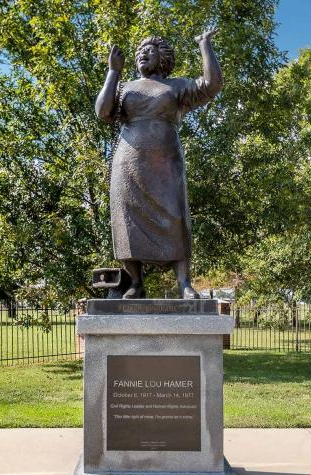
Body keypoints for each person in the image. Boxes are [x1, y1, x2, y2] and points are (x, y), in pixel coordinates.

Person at [95, 28, 223, 299]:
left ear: (163, 58)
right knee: (127, 220)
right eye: (140, 51)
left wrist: (204, 46)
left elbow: (212, 85)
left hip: (165, 163)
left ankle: (184, 283)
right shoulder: (125, 87)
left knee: (175, 217)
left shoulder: (175, 86)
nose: (142, 54)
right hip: (128, 163)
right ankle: (134, 282)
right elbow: (103, 112)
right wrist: (113, 72)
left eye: (149, 51)